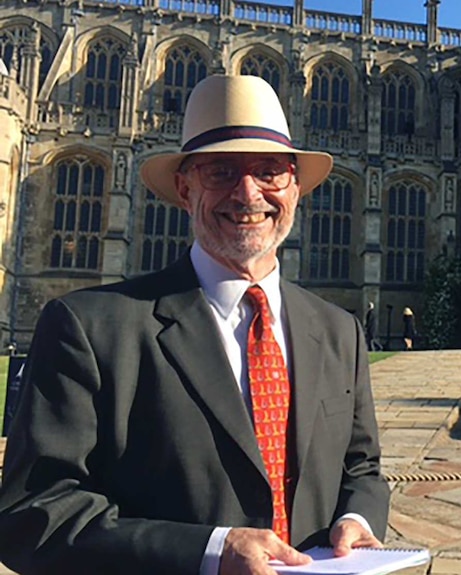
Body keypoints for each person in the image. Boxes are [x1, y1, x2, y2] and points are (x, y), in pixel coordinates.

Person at [0, 75, 390, 575]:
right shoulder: (89, 328)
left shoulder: (339, 331)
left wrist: (356, 516)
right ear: (184, 189)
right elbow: (35, 514)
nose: (248, 194)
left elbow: (362, 467)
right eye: (222, 171)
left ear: (295, 187)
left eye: (269, 171)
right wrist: (209, 552)